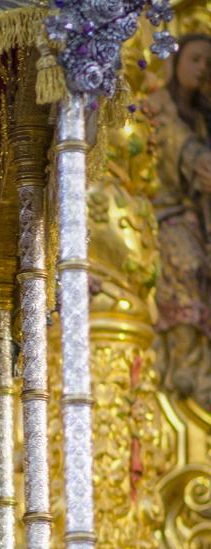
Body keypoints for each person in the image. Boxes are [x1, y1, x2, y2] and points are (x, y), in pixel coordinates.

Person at [149, 34, 211, 410]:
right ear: (175, 63)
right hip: (165, 212)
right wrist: (196, 160)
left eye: (208, 63)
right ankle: (181, 367)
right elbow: (176, 145)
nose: (202, 69)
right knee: (188, 264)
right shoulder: (159, 106)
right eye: (196, 59)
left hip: (199, 216)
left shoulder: (204, 115)